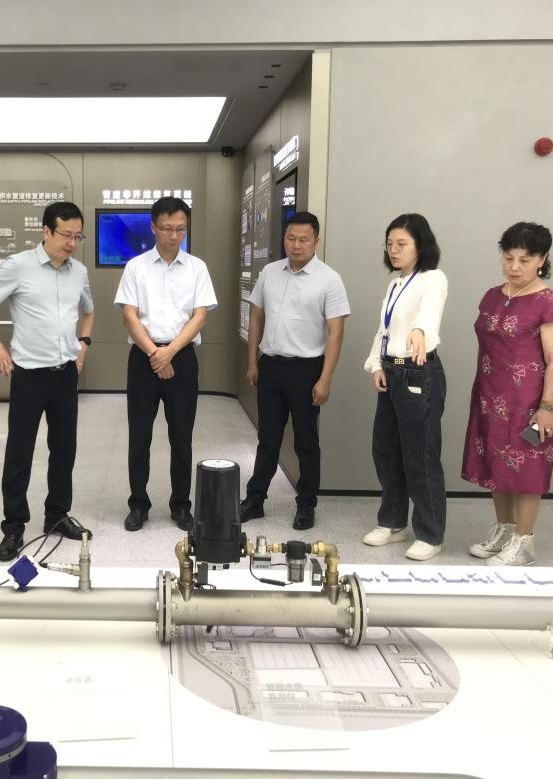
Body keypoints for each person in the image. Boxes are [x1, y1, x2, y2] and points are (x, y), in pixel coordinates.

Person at [0, 201, 95, 562]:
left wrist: (83, 345)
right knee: (20, 453)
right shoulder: (19, 265)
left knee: (64, 449)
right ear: (46, 231)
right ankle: (13, 526)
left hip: (65, 374)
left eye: (78, 236)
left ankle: (57, 515)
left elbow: (88, 310)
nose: (72, 243)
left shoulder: (79, 271)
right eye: (66, 235)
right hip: (29, 375)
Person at [463, 222, 553, 567]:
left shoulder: (548, 303)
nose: (515, 266)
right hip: (490, 393)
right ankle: (505, 530)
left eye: (525, 259)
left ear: (542, 259)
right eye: (509, 258)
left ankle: (524, 542)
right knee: (497, 463)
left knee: (526, 468)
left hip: (528, 400)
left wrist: (547, 406)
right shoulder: (493, 295)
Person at [240, 212, 351, 530]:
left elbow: (336, 333)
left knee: (306, 441)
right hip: (271, 366)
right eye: (291, 238)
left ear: (316, 241)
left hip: (307, 370)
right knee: (267, 438)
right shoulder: (270, 272)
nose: (296, 245)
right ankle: (255, 500)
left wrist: (325, 379)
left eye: (304, 239)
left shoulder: (329, 279)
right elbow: (256, 316)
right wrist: (253, 362)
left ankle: (306, 504)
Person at [115, 196, 217, 532]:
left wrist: (169, 352)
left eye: (181, 229)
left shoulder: (197, 268)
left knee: (182, 436)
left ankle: (181, 506)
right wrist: (155, 354)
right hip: (143, 358)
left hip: (181, 357)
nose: (174, 236)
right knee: (139, 435)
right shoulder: (136, 267)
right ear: (153, 228)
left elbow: (199, 317)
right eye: (167, 228)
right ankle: (138, 505)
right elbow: (129, 317)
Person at [363, 213, 448, 561]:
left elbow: (429, 313)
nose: (393, 250)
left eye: (401, 244)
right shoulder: (396, 284)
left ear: (420, 245)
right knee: (386, 451)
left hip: (418, 372)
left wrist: (420, 331)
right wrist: (376, 364)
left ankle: (430, 533)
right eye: (389, 244)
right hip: (392, 371)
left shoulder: (433, 278)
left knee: (420, 455)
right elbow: (384, 330)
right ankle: (393, 522)